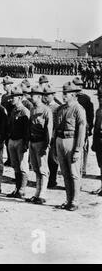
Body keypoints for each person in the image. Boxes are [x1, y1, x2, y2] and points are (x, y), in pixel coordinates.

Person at [54, 82, 87, 211]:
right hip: (60, 141)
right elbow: (56, 128)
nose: (63, 96)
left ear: (73, 95)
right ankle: (68, 199)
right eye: (63, 93)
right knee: (65, 173)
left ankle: (75, 201)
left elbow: (82, 129)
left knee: (74, 173)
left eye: (66, 94)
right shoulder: (61, 109)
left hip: (71, 141)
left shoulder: (78, 109)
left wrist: (78, 149)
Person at [26, 86, 53, 205]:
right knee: (36, 168)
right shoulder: (32, 109)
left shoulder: (46, 110)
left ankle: (43, 193)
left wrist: (46, 145)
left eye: (33, 95)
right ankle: (37, 193)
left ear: (39, 96)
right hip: (32, 142)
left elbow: (49, 130)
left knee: (43, 169)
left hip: (41, 142)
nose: (31, 97)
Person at [6, 86, 30, 199]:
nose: (11, 99)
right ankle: (17, 188)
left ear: (20, 98)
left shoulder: (25, 112)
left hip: (21, 141)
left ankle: (22, 189)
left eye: (13, 97)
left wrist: (25, 144)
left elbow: (27, 130)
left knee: (23, 167)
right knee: (15, 166)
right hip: (12, 141)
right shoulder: (13, 111)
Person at [72, 77, 94, 177]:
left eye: (79, 86)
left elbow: (90, 115)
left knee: (83, 148)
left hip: (83, 127)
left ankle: (83, 168)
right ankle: (80, 168)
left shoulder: (86, 98)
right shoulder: (73, 98)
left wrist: (89, 128)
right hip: (74, 128)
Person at [43, 84, 60, 188]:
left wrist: (53, 136)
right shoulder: (44, 107)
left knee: (52, 160)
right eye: (45, 95)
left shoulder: (57, 108)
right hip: (44, 136)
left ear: (53, 95)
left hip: (53, 137)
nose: (46, 97)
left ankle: (52, 180)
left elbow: (57, 124)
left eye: (48, 95)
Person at [91, 85, 102, 196]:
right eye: (99, 97)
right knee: (100, 165)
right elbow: (96, 128)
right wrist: (94, 143)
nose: (100, 99)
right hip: (99, 142)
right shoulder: (98, 111)